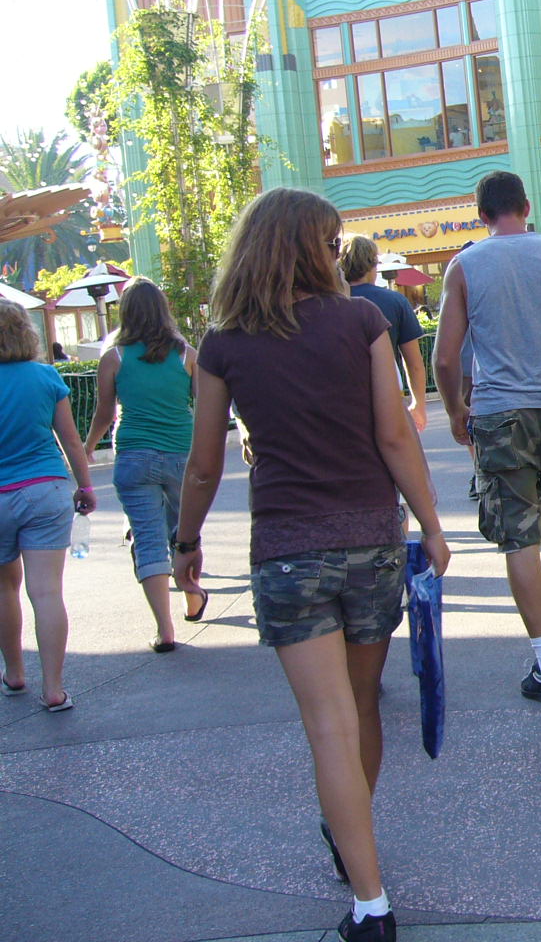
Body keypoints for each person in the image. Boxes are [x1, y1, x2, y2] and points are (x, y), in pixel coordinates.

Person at [175, 187, 449, 942]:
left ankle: (371, 903)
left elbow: (202, 466)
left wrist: (186, 543)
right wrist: (430, 523)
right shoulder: (361, 319)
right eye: (329, 243)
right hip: (371, 543)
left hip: (289, 552)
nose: (336, 255)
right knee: (360, 708)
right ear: (306, 248)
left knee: (327, 723)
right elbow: (395, 436)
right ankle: (352, 831)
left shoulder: (225, 341)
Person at [433, 171, 541, 704]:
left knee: (519, 536)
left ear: (481, 214)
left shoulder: (464, 266)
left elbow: (445, 356)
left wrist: (458, 409)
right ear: (527, 206)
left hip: (500, 413)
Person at [84, 277, 206, 652]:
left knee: (148, 539)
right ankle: (190, 592)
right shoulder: (187, 355)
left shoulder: (114, 357)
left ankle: (165, 630)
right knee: (184, 532)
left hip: (134, 458)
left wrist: (88, 447)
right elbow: (204, 410)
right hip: (182, 457)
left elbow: (105, 412)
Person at [0, 301, 95, 712]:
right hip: (46, 488)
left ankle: (15, 673)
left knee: (5, 587)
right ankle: (54, 689)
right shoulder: (45, 377)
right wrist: (86, 486)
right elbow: (71, 441)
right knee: (46, 591)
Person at [340, 236, 428, 432]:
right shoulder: (395, 301)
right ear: (373, 265)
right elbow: (414, 363)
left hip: (344, 403)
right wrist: (418, 403)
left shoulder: (330, 303)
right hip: (387, 397)